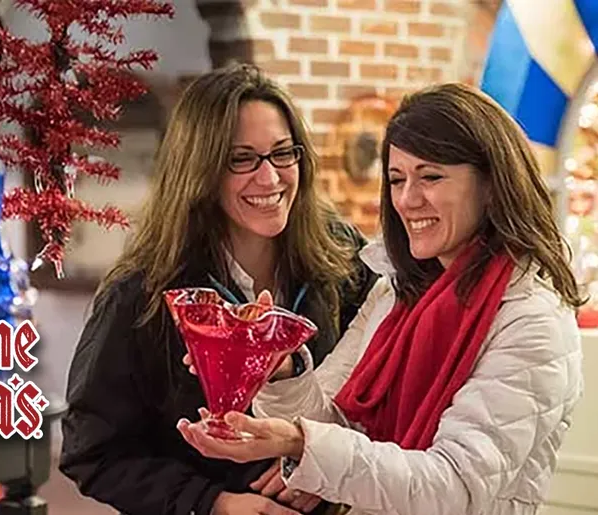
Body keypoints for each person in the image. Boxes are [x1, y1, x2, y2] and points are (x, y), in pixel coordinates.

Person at [177, 82, 586, 515]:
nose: (408, 200)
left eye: (431, 176)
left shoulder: (532, 321)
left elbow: (454, 487)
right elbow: (335, 424)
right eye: (396, 179)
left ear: (491, 183)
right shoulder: (396, 293)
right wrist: (284, 370)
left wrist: (300, 442)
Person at [59, 63, 378, 515]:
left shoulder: (345, 259)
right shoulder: (142, 295)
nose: (269, 179)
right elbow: (92, 451)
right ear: (200, 171)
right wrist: (215, 504)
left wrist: (330, 463)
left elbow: (389, 393)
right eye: (241, 159)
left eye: (283, 153)